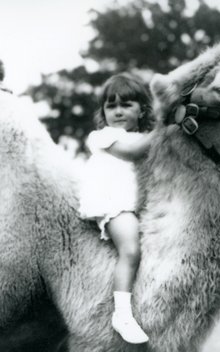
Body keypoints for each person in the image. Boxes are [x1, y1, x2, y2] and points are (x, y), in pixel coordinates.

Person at [79, 72, 155, 344]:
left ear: (142, 110)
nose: (118, 111)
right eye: (111, 106)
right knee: (130, 250)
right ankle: (121, 314)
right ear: (103, 112)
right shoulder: (103, 136)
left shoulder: (146, 137)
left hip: (135, 205)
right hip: (112, 202)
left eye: (126, 105)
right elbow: (131, 153)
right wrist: (167, 128)